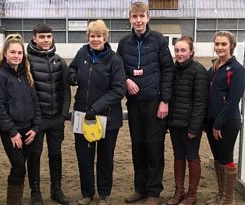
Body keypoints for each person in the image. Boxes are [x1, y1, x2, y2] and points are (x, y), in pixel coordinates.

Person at [117, 2, 174, 205]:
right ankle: (140, 189)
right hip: (134, 104)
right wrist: (125, 80)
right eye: (135, 16)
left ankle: (154, 192)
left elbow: (168, 70)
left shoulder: (159, 40)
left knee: (154, 147)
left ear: (148, 18)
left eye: (142, 16)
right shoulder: (124, 43)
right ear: (130, 19)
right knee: (137, 146)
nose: (138, 20)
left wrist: (165, 101)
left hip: (154, 103)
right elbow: (117, 69)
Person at [68, 20, 126, 205]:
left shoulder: (115, 60)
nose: (95, 39)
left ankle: (104, 194)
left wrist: (96, 108)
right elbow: (72, 68)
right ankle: (87, 193)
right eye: (92, 36)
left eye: (99, 36)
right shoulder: (82, 53)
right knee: (84, 157)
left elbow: (118, 90)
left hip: (107, 117)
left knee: (105, 157)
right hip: (82, 115)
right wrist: (72, 75)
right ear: (88, 37)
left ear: (105, 37)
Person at [0, 34, 41, 205]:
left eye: (19, 53)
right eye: (12, 52)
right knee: (18, 166)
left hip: (29, 130)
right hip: (12, 132)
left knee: (22, 167)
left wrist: (35, 127)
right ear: (5, 53)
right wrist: (12, 132)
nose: (16, 56)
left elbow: (35, 102)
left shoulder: (27, 75)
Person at [26, 23, 71, 205]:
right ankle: (35, 192)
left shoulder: (60, 60)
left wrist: (63, 114)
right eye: (42, 37)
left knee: (55, 153)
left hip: (56, 119)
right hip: (36, 120)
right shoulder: (26, 60)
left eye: (48, 36)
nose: (46, 40)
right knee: (35, 154)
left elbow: (66, 89)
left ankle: (56, 189)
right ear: (35, 38)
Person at [167, 36, 209, 205]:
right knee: (178, 156)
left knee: (192, 157)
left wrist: (194, 127)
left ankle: (192, 195)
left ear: (191, 51)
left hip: (191, 125)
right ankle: (179, 191)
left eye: (183, 50)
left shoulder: (199, 71)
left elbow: (201, 102)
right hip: (175, 123)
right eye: (177, 50)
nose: (179, 53)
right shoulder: (172, 70)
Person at [205, 31, 245, 205]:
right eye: (217, 44)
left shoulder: (237, 69)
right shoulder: (213, 67)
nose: (219, 47)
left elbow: (233, 100)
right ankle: (221, 196)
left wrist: (218, 124)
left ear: (231, 46)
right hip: (212, 121)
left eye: (223, 44)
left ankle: (228, 199)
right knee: (218, 159)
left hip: (227, 122)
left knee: (226, 158)